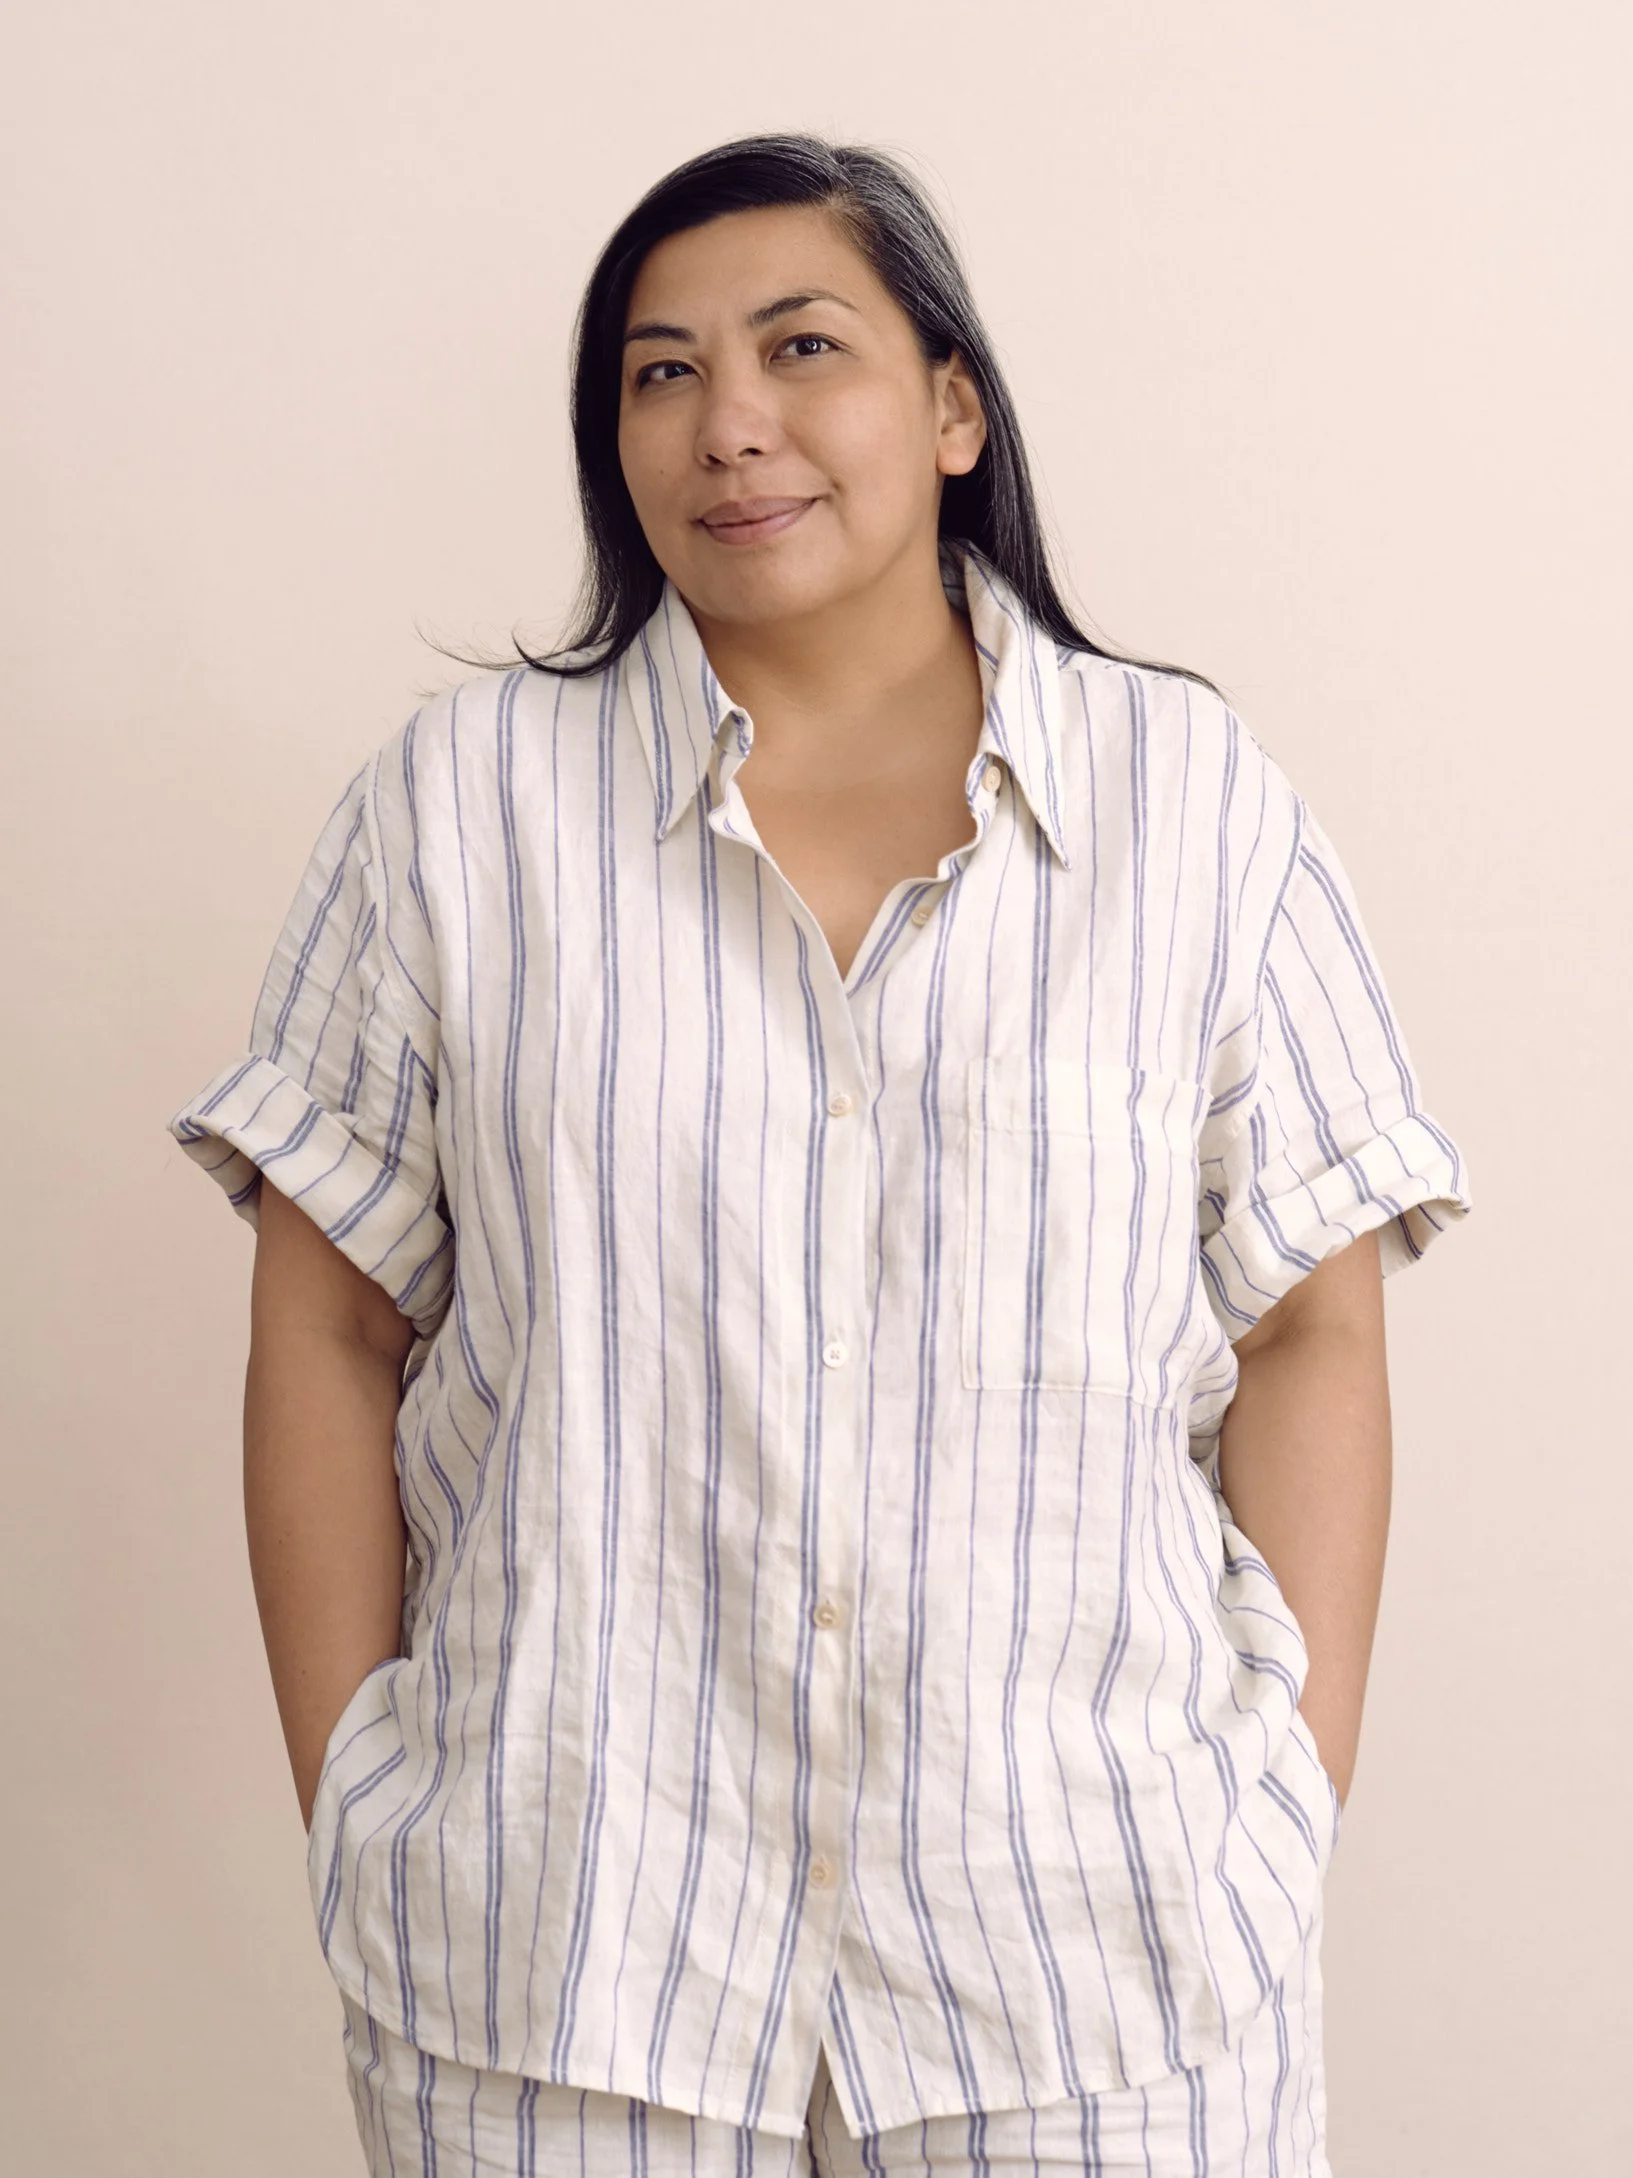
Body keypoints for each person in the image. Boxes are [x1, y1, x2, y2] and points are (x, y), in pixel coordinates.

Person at [168, 132, 1472, 2178]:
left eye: (800, 348)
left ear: (953, 408)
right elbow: (327, 1329)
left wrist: (1281, 1801)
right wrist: (362, 1799)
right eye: (661, 372)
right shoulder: (458, 812)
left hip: (1102, 1967)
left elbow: (1310, 1323)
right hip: (564, 1968)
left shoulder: (1196, 810)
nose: (729, 424)